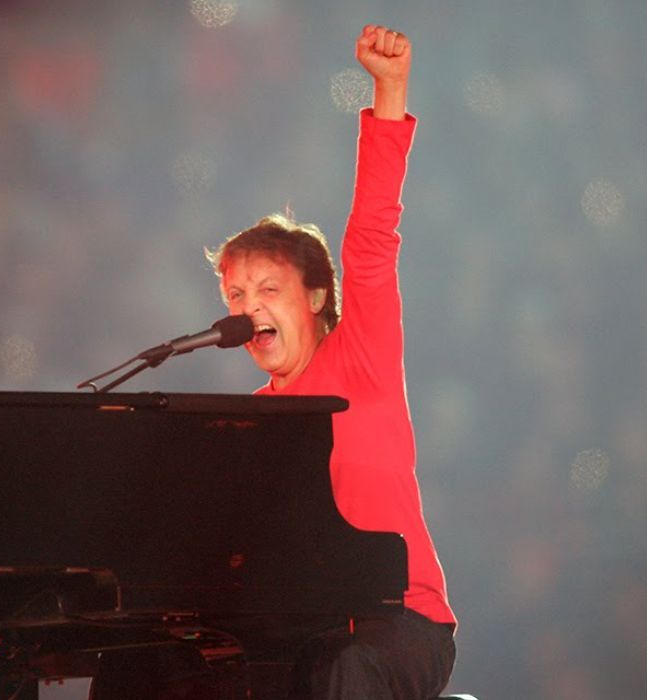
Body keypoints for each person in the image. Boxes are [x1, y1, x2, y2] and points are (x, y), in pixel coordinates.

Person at [206, 24, 456, 700]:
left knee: (343, 669)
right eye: (235, 294)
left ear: (314, 296)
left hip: (401, 624)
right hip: (301, 631)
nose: (247, 307)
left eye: (267, 290)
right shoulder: (243, 424)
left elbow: (372, 234)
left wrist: (389, 90)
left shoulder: (361, 352)